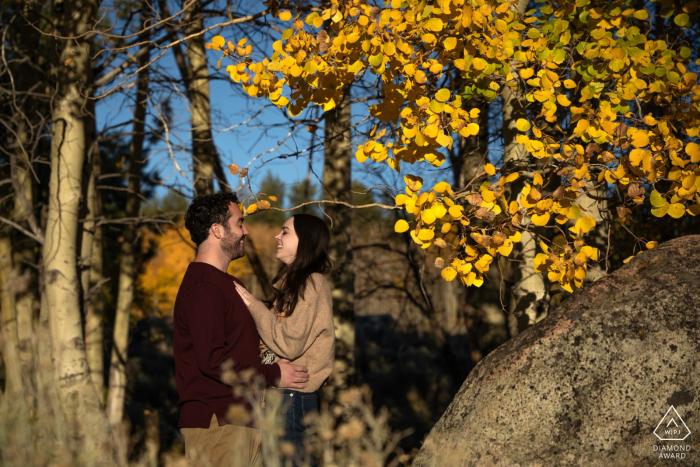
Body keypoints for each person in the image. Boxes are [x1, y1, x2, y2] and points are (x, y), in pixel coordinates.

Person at [174, 192, 310, 467]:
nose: (246, 230)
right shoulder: (204, 288)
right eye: (239, 224)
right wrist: (274, 375)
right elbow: (214, 361)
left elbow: (243, 351)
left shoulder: (229, 285)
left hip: (242, 423)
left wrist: (275, 361)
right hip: (217, 423)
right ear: (217, 230)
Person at [234, 214, 335, 467]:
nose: (277, 236)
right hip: (283, 396)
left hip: (293, 398)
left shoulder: (313, 283)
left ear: (306, 241)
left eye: (286, 232)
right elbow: (273, 344)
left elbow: (289, 344)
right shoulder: (292, 287)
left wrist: (253, 305)